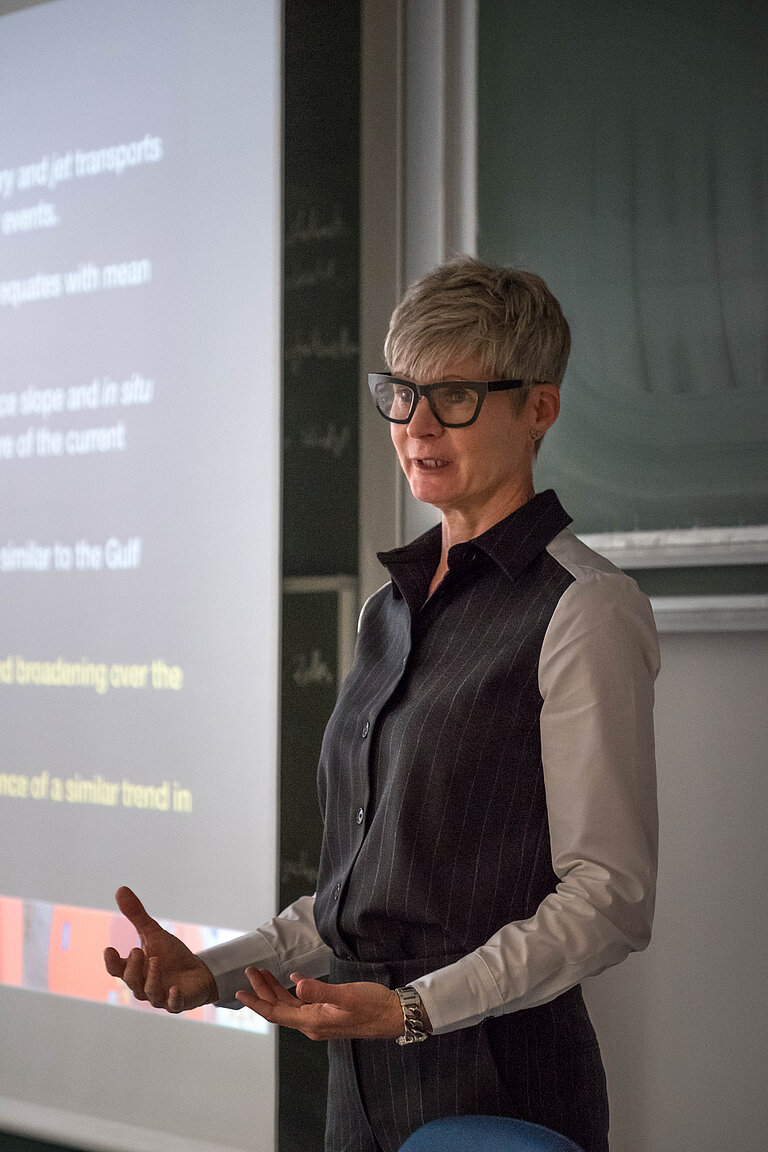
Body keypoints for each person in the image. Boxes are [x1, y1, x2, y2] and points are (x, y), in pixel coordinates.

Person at [105, 257, 659, 1152]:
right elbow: (361, 898)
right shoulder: (387, 610)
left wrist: (413, 1009)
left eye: (456, 397)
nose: (417, 426)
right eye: (402, 394)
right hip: (359, 1081)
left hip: (499, 1084)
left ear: (539, 409)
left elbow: (609, 899)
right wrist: (213, 972)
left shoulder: (585, 608)